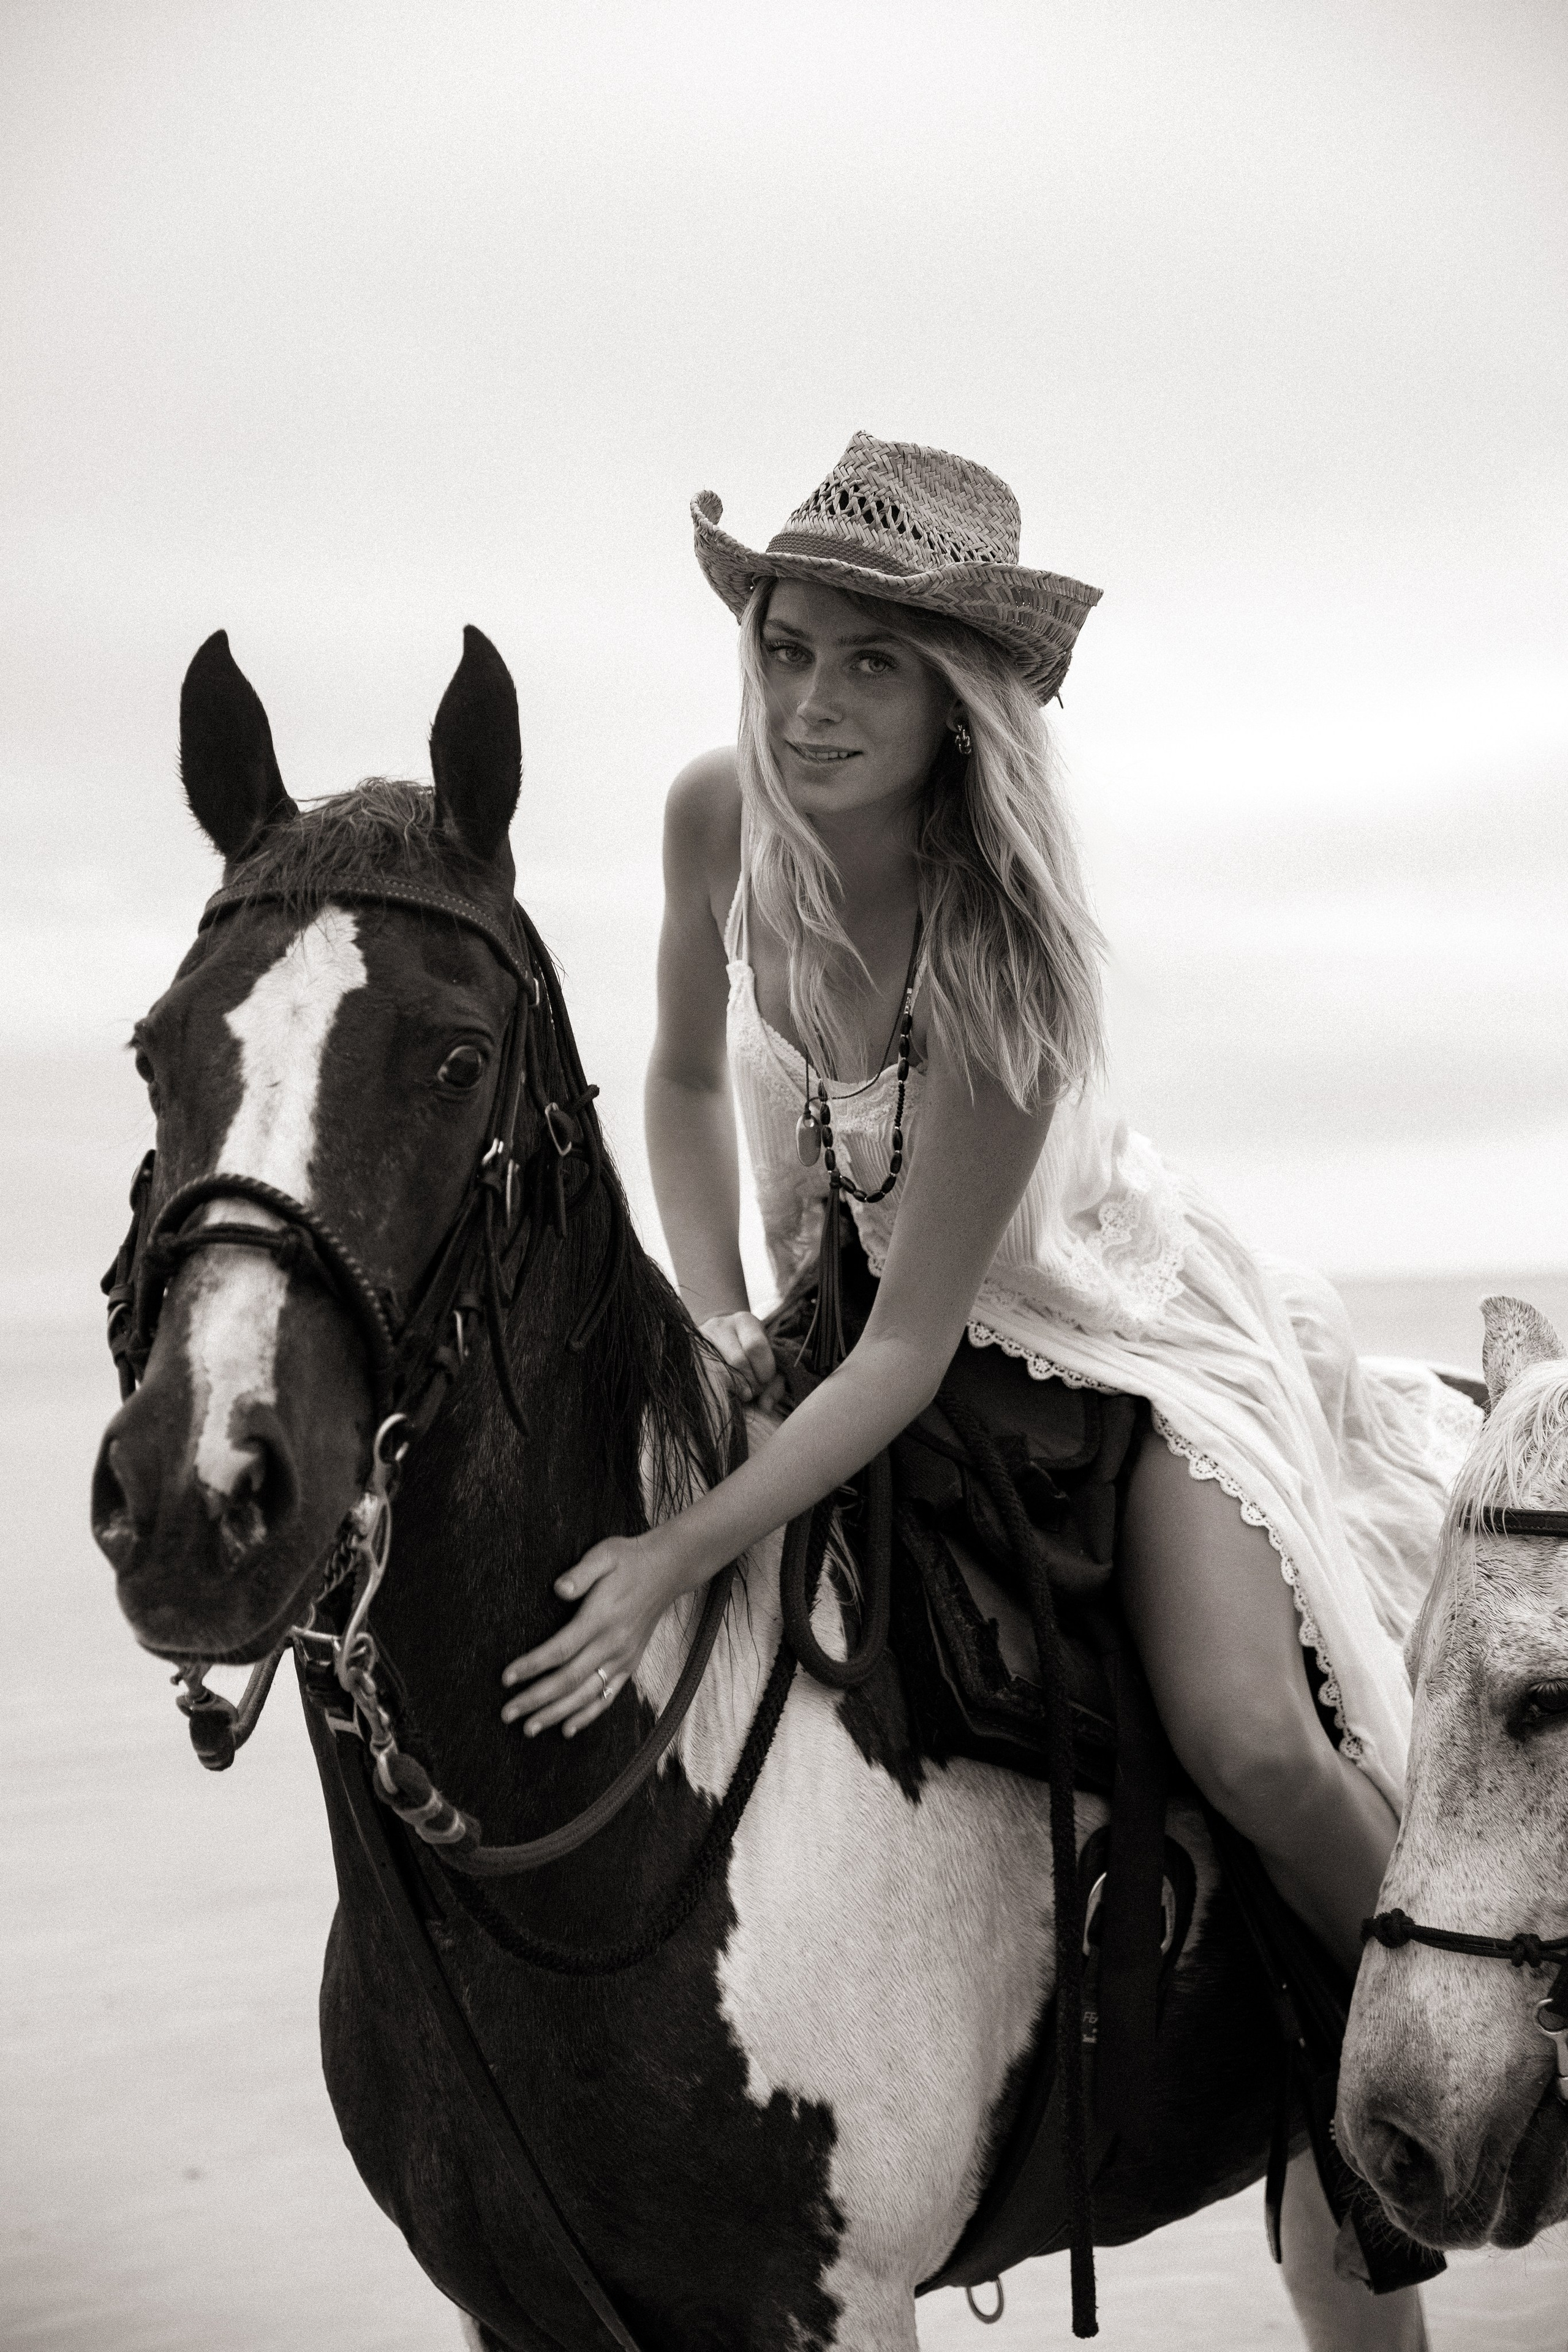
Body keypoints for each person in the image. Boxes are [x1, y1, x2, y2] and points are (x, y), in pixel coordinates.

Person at [499, 431, 1474, 1988]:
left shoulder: (1001, 959)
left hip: (1095, 1323)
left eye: (870, 664)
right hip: (834, 1303)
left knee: (1247, 1742)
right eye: (785, 650)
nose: (808, 708)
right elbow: (677, 1082)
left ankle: (1466, 2046)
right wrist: (718, 1317)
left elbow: (907, 1349)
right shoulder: (713, 818)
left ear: (956, 699)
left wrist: (674, 1554)